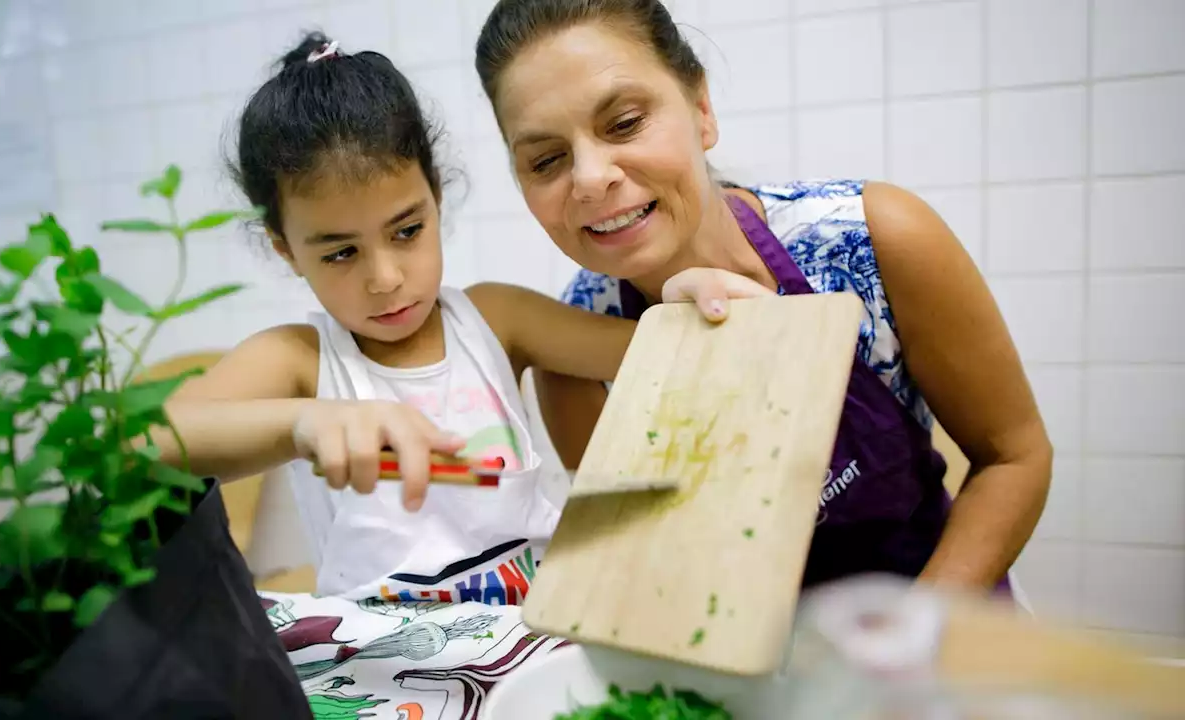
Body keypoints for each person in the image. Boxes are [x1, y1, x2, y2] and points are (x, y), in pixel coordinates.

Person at [473, 0, 1053, 594]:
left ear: (701, 109)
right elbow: (645, 564)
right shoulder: (573, 344)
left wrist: (912, 635)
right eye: (546, 160)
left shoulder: (873, 239)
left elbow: (1014, 459)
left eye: (624, 123)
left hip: (934, 619)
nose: (591, 178)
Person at [153, 31, 750, 605]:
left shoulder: (496, 318)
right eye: (340, 252)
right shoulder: (296, 360)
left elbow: (650, 348)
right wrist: (300, 424)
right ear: (286, 248)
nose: (384, 277)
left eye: (407, 230)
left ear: (437, 195)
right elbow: (142, 442)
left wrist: (685, 298)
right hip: (387, 677)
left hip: (526, 645)